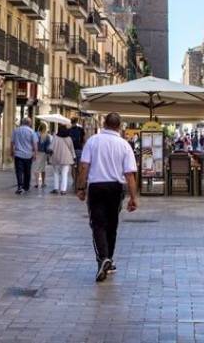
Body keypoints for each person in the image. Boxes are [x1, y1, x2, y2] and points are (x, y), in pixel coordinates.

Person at [76, 112, 139, 282]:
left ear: (104, 123)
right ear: (119, 126)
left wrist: (81, 187)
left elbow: (84, 166)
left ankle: (103, 258)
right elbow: (130, 174)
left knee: (97, 224)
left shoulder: (93, 141)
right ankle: (108, 259)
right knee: (112, 224)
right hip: (115, 188)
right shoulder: (124, 145)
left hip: (96, 187)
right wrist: (133, 198)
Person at [11, 117, 38, 194]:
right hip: (28, 155)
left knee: (19, 171)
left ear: (22, 122)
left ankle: (20, 186)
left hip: (18, 154)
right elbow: (35, 144)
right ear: (29, 123)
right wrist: (35, 154)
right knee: (27, 171)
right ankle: (26, 187)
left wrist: (11, 151)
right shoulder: (32, 132)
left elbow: (12, 142)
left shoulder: (16, 130)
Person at [49, 125, 76, 195]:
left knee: (56, 173)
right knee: (65, 174)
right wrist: (74, 157)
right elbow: (72, 148)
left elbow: (51, 147)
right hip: (66, 158)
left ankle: (56, 188)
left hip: (56, 157)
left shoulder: (56, 137)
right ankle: (63, 190)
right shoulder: (69, 138)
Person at [34, 122, 52, 189]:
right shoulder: (47, 136)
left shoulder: (36, 134)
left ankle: (36, 183)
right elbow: (48, 146)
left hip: (37, 152)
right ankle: (43, 182)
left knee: (36, 168)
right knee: (43, 169)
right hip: (44, 153)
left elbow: (34, 143)